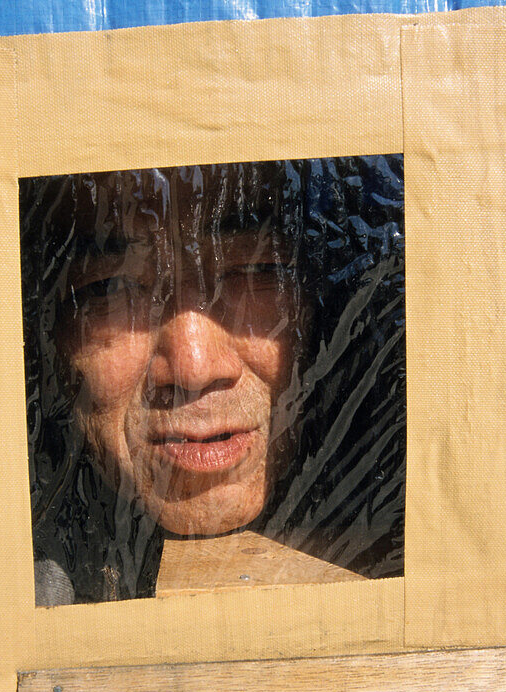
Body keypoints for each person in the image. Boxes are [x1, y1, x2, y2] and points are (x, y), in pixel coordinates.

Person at [21, 157, 406, 605]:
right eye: (111, 288)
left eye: (253, 270)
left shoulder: (430, 546)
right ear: (45, 340)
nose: (195, 367)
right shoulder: (7, 599)